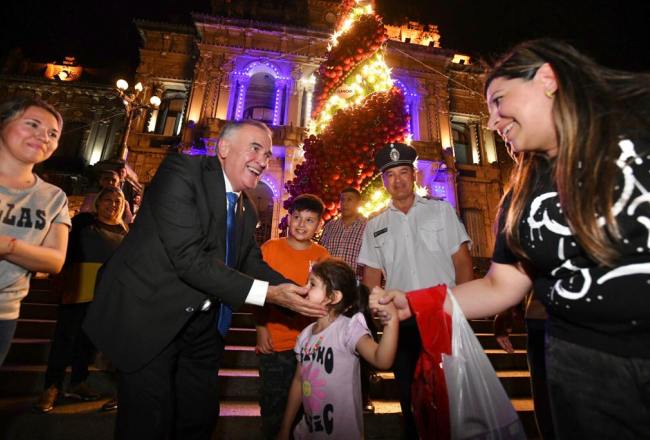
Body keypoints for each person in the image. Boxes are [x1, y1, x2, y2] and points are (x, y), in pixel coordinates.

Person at [371, 39, 650, 439]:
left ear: (547, 80)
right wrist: (412, 303)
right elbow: (501, 285)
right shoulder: (522, 189)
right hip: (580, 366)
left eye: (499, 100)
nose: (491, 122)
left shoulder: (637, 130)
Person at [83, 119, 327, 440]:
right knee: (150, 420)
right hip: (150, 314)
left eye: (267, 154)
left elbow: (251, 262)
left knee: (199, 415)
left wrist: (296, 291)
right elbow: (188, 259)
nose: (264, 160)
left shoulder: (247, 209)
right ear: (224, 148)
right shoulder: (182, 172)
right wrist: (270, 295)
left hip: (203, 326)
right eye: (255, 148)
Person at [357, 142, 473, 439]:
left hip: (443, 315)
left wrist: (465, 309)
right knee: (409, 398)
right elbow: (371, 278)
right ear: (383, 181)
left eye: (404, 172)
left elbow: (462, 263)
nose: (397, 180)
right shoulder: (375, 225)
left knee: (453, 396)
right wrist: (380, 315)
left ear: (414, 175)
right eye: (390, 175)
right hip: (402, 323)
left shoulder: (441, 211)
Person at [277, 258, 399, 440]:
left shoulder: (349, 329)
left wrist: (392, 322)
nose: (305, 288)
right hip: (307, 431)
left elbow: (381, 359)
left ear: (333, 297)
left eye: (312, 284)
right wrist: (285, 428)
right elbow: (298, 382)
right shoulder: (305, 335)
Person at [34, 186, 129, 413]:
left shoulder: (125, 231)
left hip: (106, 294)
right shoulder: (84, 222)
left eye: (118, 201)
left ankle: (79, 382)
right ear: (97, 203)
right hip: (79, 287)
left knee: (88, 343)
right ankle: (51, 387)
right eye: (107, 199)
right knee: (65, 340)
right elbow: (64, 247)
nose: (113, 204)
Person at [0, 97, 70, 366]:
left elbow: (54, 260)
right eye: (32, 125)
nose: (43, 137)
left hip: (5, 311)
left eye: (53, 134)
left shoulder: (52, 197)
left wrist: (7, 246)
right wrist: (28, 252)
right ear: (5, 123)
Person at [255, 193, 329, 439]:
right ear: (288, 217)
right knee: (273, 405)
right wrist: (261, 327)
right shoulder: (270, 248)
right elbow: (258, 292)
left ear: (319, 225)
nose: (301, 224)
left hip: (309, 345)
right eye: (297, 217)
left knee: (306, 409)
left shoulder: (322, 256)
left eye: (309, 220)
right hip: (275, 342)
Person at [319, 186, 376, 413]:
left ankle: (362, 396)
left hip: (356, 293)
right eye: (342, 199)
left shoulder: (367, 227)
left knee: (359, 344)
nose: (345, 203)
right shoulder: (330, 227)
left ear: (358, 202)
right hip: (329, 294)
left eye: (350, 199)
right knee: (330, 343)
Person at [494, 294, 555, 439]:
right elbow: (523, 274)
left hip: (592, 319)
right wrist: (504, 311)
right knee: (546, 400)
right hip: (541, 318)